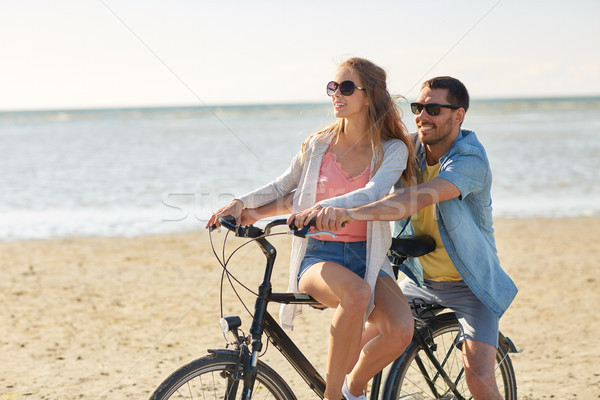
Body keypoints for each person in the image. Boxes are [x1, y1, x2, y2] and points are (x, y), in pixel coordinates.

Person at [294, 76, 518, 400]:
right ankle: (351, 390)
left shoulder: (470, 159)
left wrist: (351, 214)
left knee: (478, 375)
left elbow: (420, 196)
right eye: (418, 107)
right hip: (419, 280)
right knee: (356, 344)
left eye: (434, 109)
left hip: (470, 285)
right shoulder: (407, 149)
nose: (423, 115)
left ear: (458, 116)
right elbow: (362, 175)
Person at [206, 57, 417, 400]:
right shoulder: (318, 145)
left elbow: (375, 193)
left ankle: (353, 389)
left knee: (400, 331)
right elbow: (283, 187)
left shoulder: (391, 150)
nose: (336, 93)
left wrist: (331, 207)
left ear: (371, 95)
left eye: (346, 87)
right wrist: (242, 203)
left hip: (370, 258)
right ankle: (334, 396)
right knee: (356, 295)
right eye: (332, 87)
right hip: (319, 256)